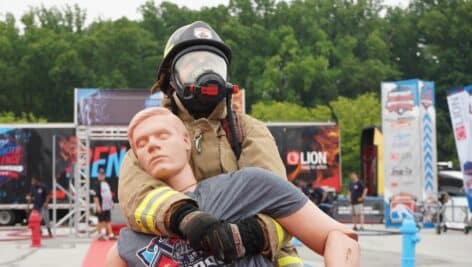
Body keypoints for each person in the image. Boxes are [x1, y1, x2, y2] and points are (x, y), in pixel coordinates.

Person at [119, 20, 302, 265]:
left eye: (212, 64)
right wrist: (186, 218)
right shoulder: (152, 135)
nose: (205, 71)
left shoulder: (247, 130)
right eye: (192, 65)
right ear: (171, 80)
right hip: (184, 252)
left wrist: (250, 235)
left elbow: (282, 203)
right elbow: (137, 199)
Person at [107, 107, 360, 267]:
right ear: (136, 158)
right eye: (141, 143)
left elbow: (338, 236)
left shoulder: (250, 186)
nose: (152, 145)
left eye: (162, 135)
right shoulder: (128, 243)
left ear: (186, 141)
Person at [93, 168, 116, 240]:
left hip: (107, 206)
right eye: (100, 174)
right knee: (100, 220)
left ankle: (110, 234)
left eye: (102, 174)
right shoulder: (97, 184)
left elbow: (109, 195)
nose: (101, 176)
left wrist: (111, 203)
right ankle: (99, 235)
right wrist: (98, 206)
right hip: (101, 206)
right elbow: (96, 196)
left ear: (104, 175)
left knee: (108, 220)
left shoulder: (106, 184)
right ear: (98, 175)